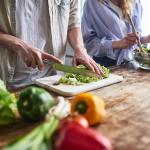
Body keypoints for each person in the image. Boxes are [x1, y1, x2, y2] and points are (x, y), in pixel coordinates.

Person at [0, 0, 103, 90]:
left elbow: (73, 21)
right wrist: (20, 46)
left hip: (53, 80)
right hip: (10, 81)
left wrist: (80, 49)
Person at [81, 0, 150, 67]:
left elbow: (136, 40)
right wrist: (117, 44)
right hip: (106, 63)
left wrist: (146, 38)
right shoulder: (92, 3)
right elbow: (88, 43)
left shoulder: (135, 2)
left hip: (132, 62)